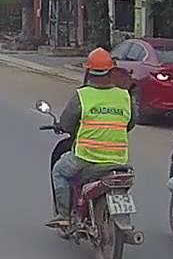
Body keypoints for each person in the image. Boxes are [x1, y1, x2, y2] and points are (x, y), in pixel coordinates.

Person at [47, 48, 135, 228]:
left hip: (86, 157)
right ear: (111, 71)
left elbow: (67, 124)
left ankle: (63, 215)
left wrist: (65, 127)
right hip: (118, 159)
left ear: (88, 71)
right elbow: (130, 123)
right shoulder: (124, 96)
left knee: (59, 172)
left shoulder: (83, 95)